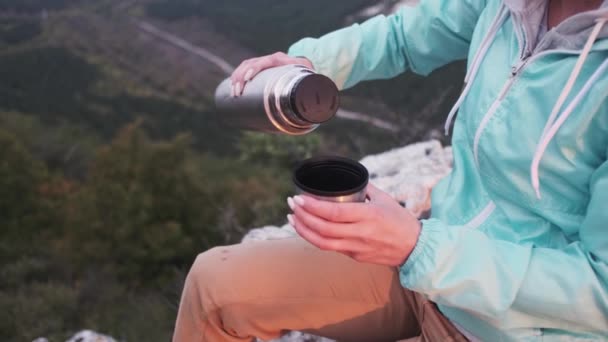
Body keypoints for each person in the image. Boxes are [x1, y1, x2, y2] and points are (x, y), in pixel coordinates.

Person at [174, 0, 608, 340]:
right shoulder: (509, 5)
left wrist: (420, 247)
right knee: (215, 286)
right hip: (424, 276)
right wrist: (307, 64)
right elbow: (403, 37)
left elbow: (600, 291)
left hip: (520, 329)